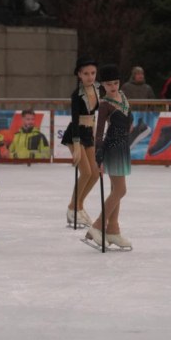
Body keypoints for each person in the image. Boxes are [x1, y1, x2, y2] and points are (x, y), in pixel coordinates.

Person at [87, 64, 134, 249]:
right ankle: (97, 226)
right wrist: (98, 155)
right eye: (109, 84)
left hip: (123, 147)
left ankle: (113, 230)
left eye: (115, 83)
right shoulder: (105, 104)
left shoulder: (122, 96)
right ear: (103, 85)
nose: (113, 87)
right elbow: (99, 133)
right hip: (113, 148)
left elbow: (129, 117)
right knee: (121, 190)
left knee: (116, 189)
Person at [60, 57, 100, 227]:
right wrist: (76, 145)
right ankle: (72, 208)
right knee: (86, 172)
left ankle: (79, 206)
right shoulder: (76, 95)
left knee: (95, 173)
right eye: (86, 73)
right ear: (79, 75)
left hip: (89, 133)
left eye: (92, 73)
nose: (90, 77)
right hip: (75, 134)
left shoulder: (100, 90)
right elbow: (75, 120)